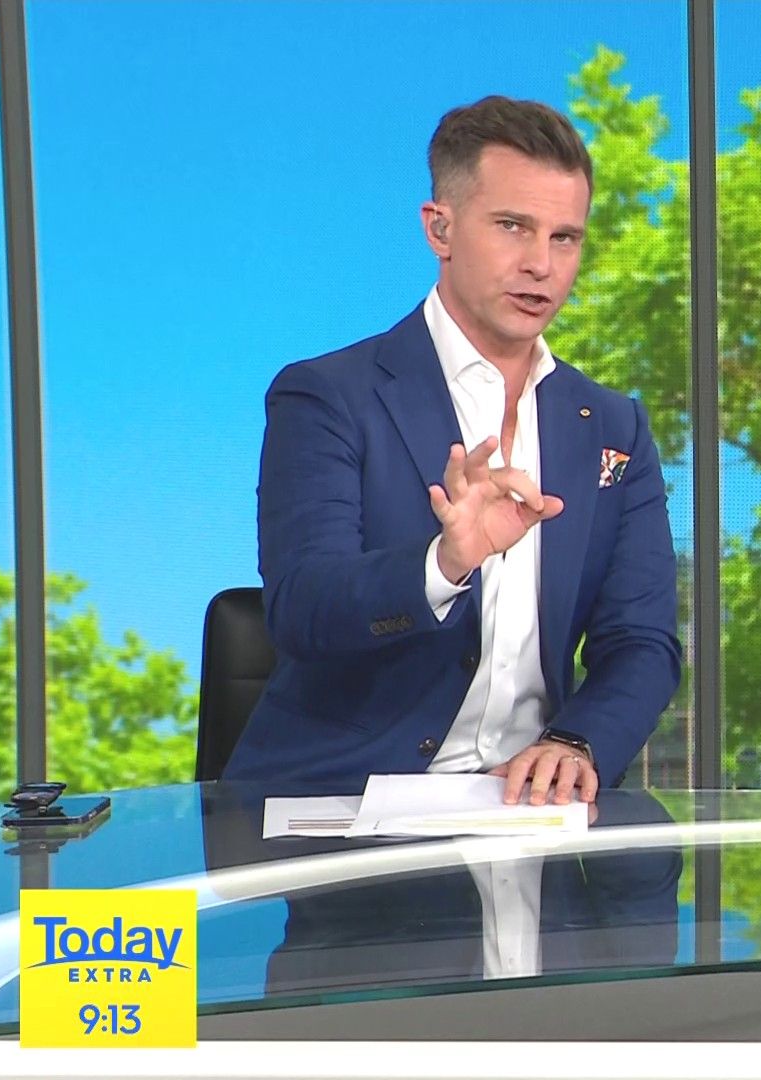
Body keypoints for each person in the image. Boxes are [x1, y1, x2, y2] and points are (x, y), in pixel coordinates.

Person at [222, 96, 681, 805]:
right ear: (439, 228)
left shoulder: (613, 428)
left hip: (526, 809)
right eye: (512, 227)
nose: (541, 264)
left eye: (565, 238)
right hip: (342, 805)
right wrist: (444, 563)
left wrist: (576, 742)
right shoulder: (327, 396)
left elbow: (642, 642)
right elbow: (302, 608)